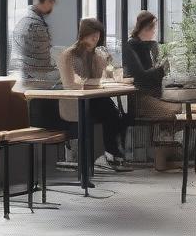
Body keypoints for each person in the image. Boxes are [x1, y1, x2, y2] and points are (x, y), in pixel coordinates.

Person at [57, 17, 130, 172]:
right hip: (74, 103)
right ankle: (110, 155)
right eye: (92, 33)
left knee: (119, 115)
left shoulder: (97, 55)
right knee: (111, 112)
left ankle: (111, 154)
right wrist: (96, 82)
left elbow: (105, 77)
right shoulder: (68, 55)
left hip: (95, 100)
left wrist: (105, 65)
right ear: (83, 33)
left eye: (98, 33)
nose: (95, 37)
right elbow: (71, 83)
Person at [123, 11, 178, 171]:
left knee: (179, 108)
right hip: (142, 98)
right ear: (145, 28)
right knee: (176, 112)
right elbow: (140, 76)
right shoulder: (132, 46)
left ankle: (164, 154)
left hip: (153, 95)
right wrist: (161, 69)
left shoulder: (149, 46)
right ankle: (164, 154)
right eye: (152, 28)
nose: (154, 32)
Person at [11, 0, 62, 130]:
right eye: (52, 2)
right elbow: (44, 60)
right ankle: (71, 146)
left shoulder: (25, 21)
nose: (52, 6)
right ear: (48, 1)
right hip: (35, 83)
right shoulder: (35, 25)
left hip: (25, 81)